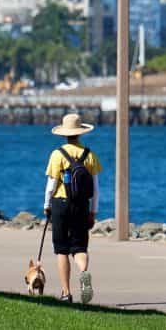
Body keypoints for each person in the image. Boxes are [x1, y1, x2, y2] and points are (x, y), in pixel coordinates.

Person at [44, 113, 102, 304]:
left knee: (61, 249)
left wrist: (46, 206)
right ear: (80, 133)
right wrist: (93, 212)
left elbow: (51, 185)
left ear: (64, 133)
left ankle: (66, 293)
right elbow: (95, 188)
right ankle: (84, 273)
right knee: (79, 247)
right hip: (81, 205)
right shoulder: (90, 155)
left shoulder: (57, 154)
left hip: (60, 204)